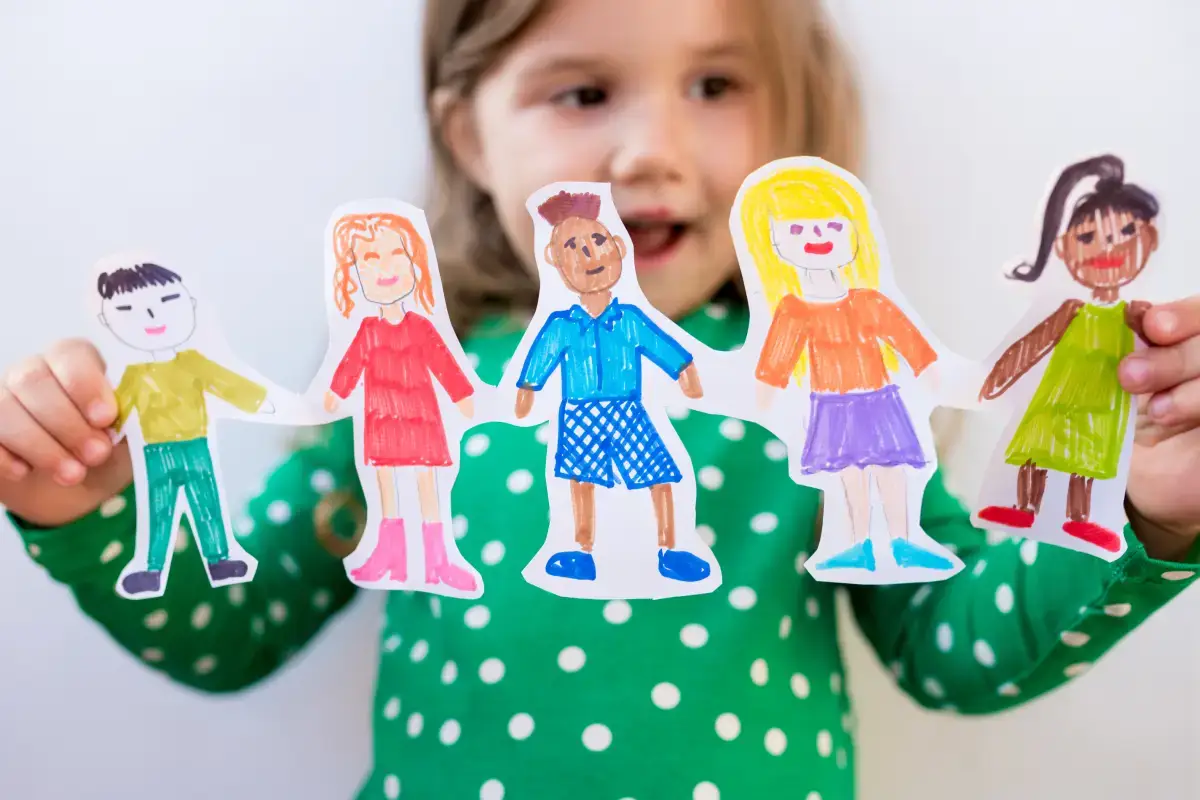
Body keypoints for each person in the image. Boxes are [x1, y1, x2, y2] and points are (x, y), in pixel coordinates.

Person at [3, 1, 1200, 798]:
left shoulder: (807, 386)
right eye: (583, 93)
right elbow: (231, 633)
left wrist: (1151, 523)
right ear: (466, 134)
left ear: (793, 123)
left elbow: (957, 651)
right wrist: (92, 508)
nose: (649, 148)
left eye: (718, 81)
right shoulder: (408, 388)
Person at [746, 160, 956, 575]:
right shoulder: (792, 311)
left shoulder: (868, 301)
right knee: (850, 478)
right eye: (798, 230)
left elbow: (908, 340)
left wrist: (934, 376)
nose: (817, 238)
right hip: (832, 406)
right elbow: (776, 360)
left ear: (855, 232)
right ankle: (857, 543)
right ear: (773, 242)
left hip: (878, 400)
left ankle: (903, 540)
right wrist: (762, 399)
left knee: (890, 471)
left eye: (831, 227)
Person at [515, 189, 709, 584]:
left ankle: (671, 550)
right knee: (582, 481)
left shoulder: (631, 319)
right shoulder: (561, 325)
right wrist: (527, 389)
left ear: (619, 247)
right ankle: (582, 551)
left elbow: (662, 347)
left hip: (629, 409)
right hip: (580, 413)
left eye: (598, 241)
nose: (590, 255)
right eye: (573, 246)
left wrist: (685, 371)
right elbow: (540, 359)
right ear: (555, 260)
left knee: (658, 476)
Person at [977, 155, 1157, 554]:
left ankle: (1080, 521)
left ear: (1149, 240)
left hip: (1100, 407)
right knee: (1035, 454)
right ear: (1065, 249)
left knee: (1085, 465)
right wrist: (995, 377)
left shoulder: (1134, 316)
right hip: (1055, 401)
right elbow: (1034, 343)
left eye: (1125, 231)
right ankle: (1023, 507)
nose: (1108, 248)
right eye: (1088, 237)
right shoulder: (1070, 310)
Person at [323, 211, 479, 592]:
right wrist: (335, 394)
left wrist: (462, 396)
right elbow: (349, 366)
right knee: (386, 487)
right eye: (370, 260)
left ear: (416, 265)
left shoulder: (423, 327)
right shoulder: (366, 330)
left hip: (422, 420)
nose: (385, 269)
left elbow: (444, 363)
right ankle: (389, 555)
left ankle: (438, 559)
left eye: (397, 256)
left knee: (428, 486)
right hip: (381, 423)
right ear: (353, 275)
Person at [98, 261, 275, 596]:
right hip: (155, 452)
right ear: (108, 320)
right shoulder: (135, 376)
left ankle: (220, 558)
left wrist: (259, 402)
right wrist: (104, 432)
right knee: (159, 511)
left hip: (196, 447)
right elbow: (117, 410)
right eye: (127, 310)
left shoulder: (194, 362)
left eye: (166, 303)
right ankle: (151, 567)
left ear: (191, 304)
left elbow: (225, 383)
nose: (151, 317)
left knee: (206, 504)